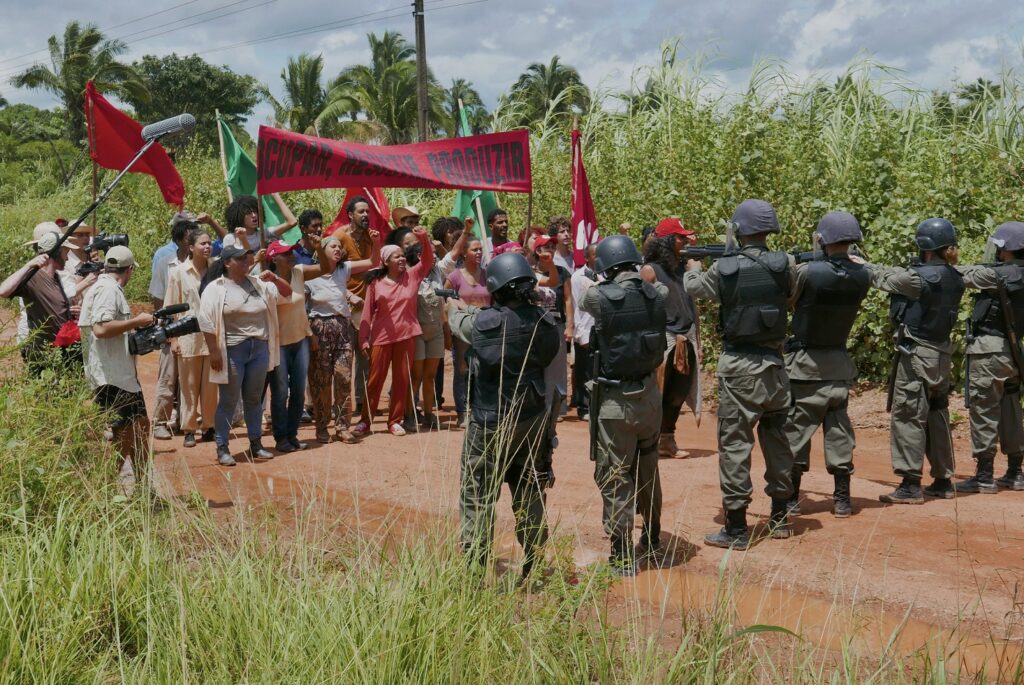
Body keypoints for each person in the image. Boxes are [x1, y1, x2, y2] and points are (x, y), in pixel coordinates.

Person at [683, 199, 797, 550]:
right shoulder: (787, 264)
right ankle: (780, 517)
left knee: (735, 444)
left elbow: (695, 288)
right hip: (776, 367)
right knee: (777, 440)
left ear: (740, 230)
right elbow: (790, 298)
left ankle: (736, 527)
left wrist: (691, 266)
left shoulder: (724, 268)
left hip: (739, 367)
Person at [447, 252, 561, 580]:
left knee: (477, 489)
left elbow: (461, 324)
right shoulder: (545, 320)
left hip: (489, 420)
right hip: (531, 418)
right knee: (529, 488)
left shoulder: (486, 322)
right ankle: (536, 558)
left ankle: (474, 564)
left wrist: (455, 306)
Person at [579, 235, 668, 575]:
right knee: (648, 468)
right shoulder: (656, 294)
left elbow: (588, 294)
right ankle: (653, 536)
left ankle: (621, 553)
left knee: (615, 473)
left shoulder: (598, 297)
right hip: (649, 397)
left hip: (616, 401)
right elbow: (654, 287)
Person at [865, 218, 964, 503]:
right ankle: (943, 480)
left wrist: (859, 263)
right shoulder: (955, 276)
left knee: (909, 414)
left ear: (925, 247)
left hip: (917, 355)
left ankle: (910, 484)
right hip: (942, 356)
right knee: (938, 415)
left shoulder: (917, 279)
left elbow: (882, 278)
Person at [783, 212, 871, 517]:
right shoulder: (863, 275)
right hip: (839, 365)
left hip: (806, 366)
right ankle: (842, 500)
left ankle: (792, 498)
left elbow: (788, 298)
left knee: (797, 432)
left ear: (822, 240)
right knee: (839, 433)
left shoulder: (807, 272)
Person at [198, 244, 293, 466]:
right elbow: (205, 320)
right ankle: (222, 447)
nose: (245, 262)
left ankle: (256, 443)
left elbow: (287, 294)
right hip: (232, 350)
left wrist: (276, 279)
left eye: (247, 258)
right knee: (229, 400)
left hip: (258, 348)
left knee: (254, 399)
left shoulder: (260, 283)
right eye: (240, 259)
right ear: (227, 263)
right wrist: (213, 351)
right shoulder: (216, 288)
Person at [78, 246, 157, 497]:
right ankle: (104, 491)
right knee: (124, 434)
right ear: (130, 270)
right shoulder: (108, 290)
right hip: (112, 378)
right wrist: (136, 321)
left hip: (120, 375)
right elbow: (100, 329)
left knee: (140, 428)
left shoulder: (105, 288)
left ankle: (144, 491)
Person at [955, 221, 1024, 493]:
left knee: (985, 408)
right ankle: (1015, 472)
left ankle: (984, 475)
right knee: (1011, 410)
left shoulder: (997, 275)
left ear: (1006, 249)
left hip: (990, 350)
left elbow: (959, 276)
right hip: (1015, 351)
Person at [357, 226, 435, 436]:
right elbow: (366, 313)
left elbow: (427, 261)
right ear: (385, 261)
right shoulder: (376, 283)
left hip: (407, 336)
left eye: (402, 256)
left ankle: (394, 421)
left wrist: (423, 238)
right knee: (374, 381)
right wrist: (364, 339)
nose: (402, 259)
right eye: (396, 256)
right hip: (381, 338)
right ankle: (365, 420)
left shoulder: (413, 275)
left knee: (402, 380)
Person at [305, 232, 380, 443]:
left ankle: (342, 426)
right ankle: (321, 427)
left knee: (343, 377)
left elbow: (373, 261)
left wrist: (375, 242)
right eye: (333, 247)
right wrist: (310, 334)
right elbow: (303, 307)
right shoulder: (310, 276)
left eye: (340, 247)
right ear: (322, 251)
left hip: (343, 327)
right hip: (320, 327)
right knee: (321, 380)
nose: (338, 249)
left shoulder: (343, 269)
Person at [641, 218, 701, 458]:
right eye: (680, 237)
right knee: (658, 391)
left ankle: (667, 439)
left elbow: (692, 305)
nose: (685, 241)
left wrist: (698, 338)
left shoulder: (683, 269)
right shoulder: (650, 270)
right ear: (666, 241)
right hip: (663, 338)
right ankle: (648, 440)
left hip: (685, 336)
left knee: (678, 391)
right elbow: (643, 309)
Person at [0, 222, 78, 375]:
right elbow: (3, 291)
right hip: (43, 354)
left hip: (60, 352)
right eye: (65, 253)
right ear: (56, 253)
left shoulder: (56, 277)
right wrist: (29, 265)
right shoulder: (34, 277)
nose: (67, 259)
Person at [164, 228, 218, 448]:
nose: (207, 247)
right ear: (191, 247)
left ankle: (209, 425)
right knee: (188, 385)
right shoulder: (179, 272)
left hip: (213, 336)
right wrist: (173, 339)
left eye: (209, 243)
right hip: (188, 336)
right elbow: (170, 307)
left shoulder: (216, 269)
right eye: (203, 243)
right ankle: (188, 428)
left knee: (211, 385)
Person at [149, 215, 198, 440]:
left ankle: (185, 420)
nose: (193, 243)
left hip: (196, 329)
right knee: (168, 376)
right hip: (171, 328)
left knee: (190, 377)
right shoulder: (165, 263)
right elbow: (158, 297)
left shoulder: (203, 265)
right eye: (190, 239)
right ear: (179, 241)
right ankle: (160, 421)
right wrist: (166, 327)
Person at [392, 228, 446, 430]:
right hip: (417, 331)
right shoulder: (409, 274)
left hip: (436, 330)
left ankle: (429, 414)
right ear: (417, 255)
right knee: (415, 376)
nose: (432, 257)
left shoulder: (438, 271)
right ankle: (409, 414)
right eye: (427, 253)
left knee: (430, 376)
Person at [327, 195, 376, 415]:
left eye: (368, 212)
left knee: (365, 358)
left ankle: (362, 403)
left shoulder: (370, 237)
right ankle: (340, 407)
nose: (366, 215)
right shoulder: (339, 238)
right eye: (361, 212)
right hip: (344, 308)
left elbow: (376, 266)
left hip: (367, 308)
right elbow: (329, 275)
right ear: (350, 215)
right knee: (343, 362)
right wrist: (348, 296)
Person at [444, 235, 491, 426]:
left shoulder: (488, 274)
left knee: (483, 369)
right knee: (462, 370)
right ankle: (463, 412)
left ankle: (480, 409)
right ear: (464, 253)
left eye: (480, 249)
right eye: (475, 250)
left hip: (485, 329)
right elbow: (446, 298)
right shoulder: (455, 276)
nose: (479, 252)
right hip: (462, 330)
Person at [570, 243, 599, 420]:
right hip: (585, 329)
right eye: (595, 255)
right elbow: (575, 305)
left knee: (598, 370)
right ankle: (584, 407)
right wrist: (580, 334)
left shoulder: (606, 273)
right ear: (587, 258)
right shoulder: (577, 277)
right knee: (584, 371)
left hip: (601, 329)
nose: (599, 258)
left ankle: (597, 405)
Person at [220, 194, 298, 251]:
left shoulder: (265, 234)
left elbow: (292, 222)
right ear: (239, 216)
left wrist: (275, 195)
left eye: (255, 211)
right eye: (248, 213)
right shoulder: (230, 238)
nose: (254, 215)